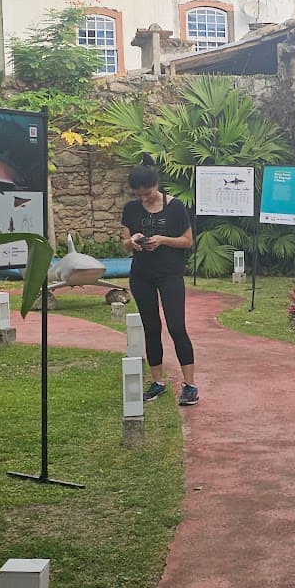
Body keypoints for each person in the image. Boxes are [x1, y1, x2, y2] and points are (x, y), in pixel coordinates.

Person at [121, 159, 199, 406]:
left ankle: (190, 385)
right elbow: (124, 242)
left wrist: (163, 240)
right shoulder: (131, 209)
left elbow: (188, 241)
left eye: (148, 193)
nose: (144, 198)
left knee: (176, 327)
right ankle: (157, 382)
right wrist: (132, 241)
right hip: (141, 275)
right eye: (139, 195)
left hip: (170, 274)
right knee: (151, 328)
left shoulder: (175, 207)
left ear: (156, 185)